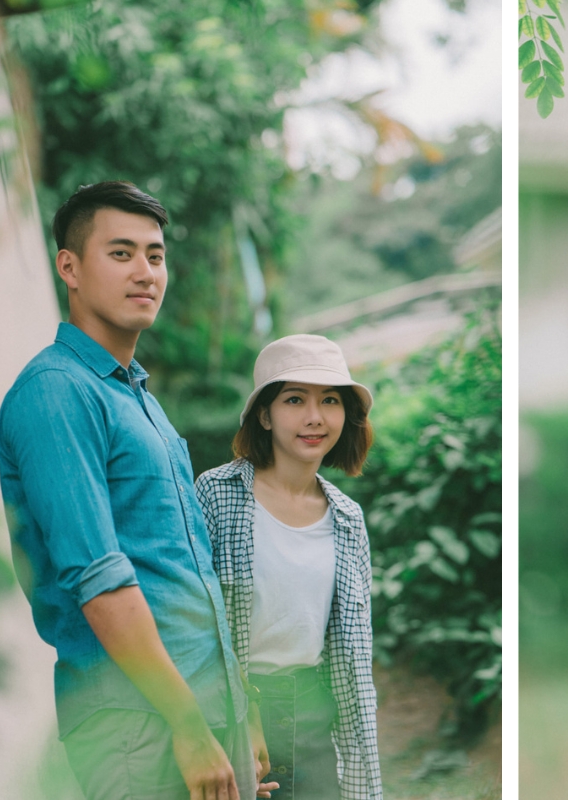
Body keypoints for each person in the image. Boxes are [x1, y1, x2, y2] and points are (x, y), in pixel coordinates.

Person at [0, 181, 256, 800]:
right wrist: (188, 724)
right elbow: (98, 576)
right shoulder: (57, 392)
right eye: (121, 253)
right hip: (140, 725)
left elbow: (182, 566)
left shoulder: (134, 395)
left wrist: (238, 712)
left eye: (156, 255)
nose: (145, 272)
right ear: (70, 267)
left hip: (202, 710)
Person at [195, 334, 382, 800]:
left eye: (330, 400)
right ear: (264, 413)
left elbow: (353, 654)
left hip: (315, 715)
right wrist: (240, 717)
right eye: (295, 399)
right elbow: (194, 621)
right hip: (231, 716)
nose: (314, 417)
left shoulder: (347, 519)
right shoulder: (216, 495)